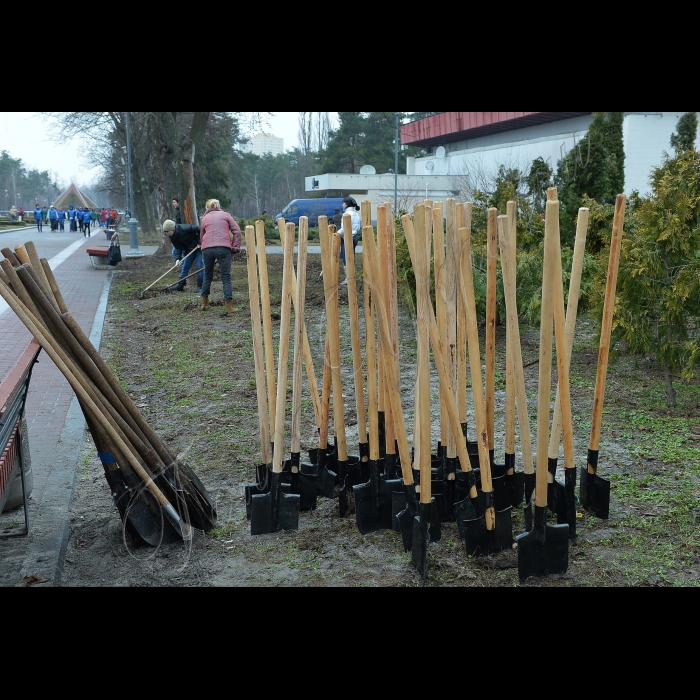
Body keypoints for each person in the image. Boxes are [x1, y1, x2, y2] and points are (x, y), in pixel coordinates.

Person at [198, 198, 241, 315]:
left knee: (207, 275)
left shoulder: (204, 219)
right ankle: (228, 306)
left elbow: (202, 236)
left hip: (207, 249)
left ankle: (204, 303)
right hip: (223, 247)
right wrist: (235, 248)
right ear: (218, 206)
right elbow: (237, 231)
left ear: (207, 207)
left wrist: (205, 247)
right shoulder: (226, 215)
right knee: (226, 276)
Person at [162, 219, 204, 292]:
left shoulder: (185, 228)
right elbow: (178, 247)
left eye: (167, 232)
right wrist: (178, 258)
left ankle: (200, 286)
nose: (166, 233)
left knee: (200, 266)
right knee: (185, 266)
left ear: (172, 229)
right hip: (190, 248)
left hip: (200, 248)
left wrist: (200, 242)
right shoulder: (172, 236)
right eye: (165, 232)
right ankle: (181, 285)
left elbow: (201, 230)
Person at [334, 196, 361, 285]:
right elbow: (358, 227)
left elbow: (344, 228)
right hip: (354, 237)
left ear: (347, 204)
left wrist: (337, 234)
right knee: (351, 258)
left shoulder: (346, 214)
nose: (342, 205)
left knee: (346, 258)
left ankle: (348, 278)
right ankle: (351, 276)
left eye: (343, 203)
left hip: (347, 238)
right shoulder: (356, 214)